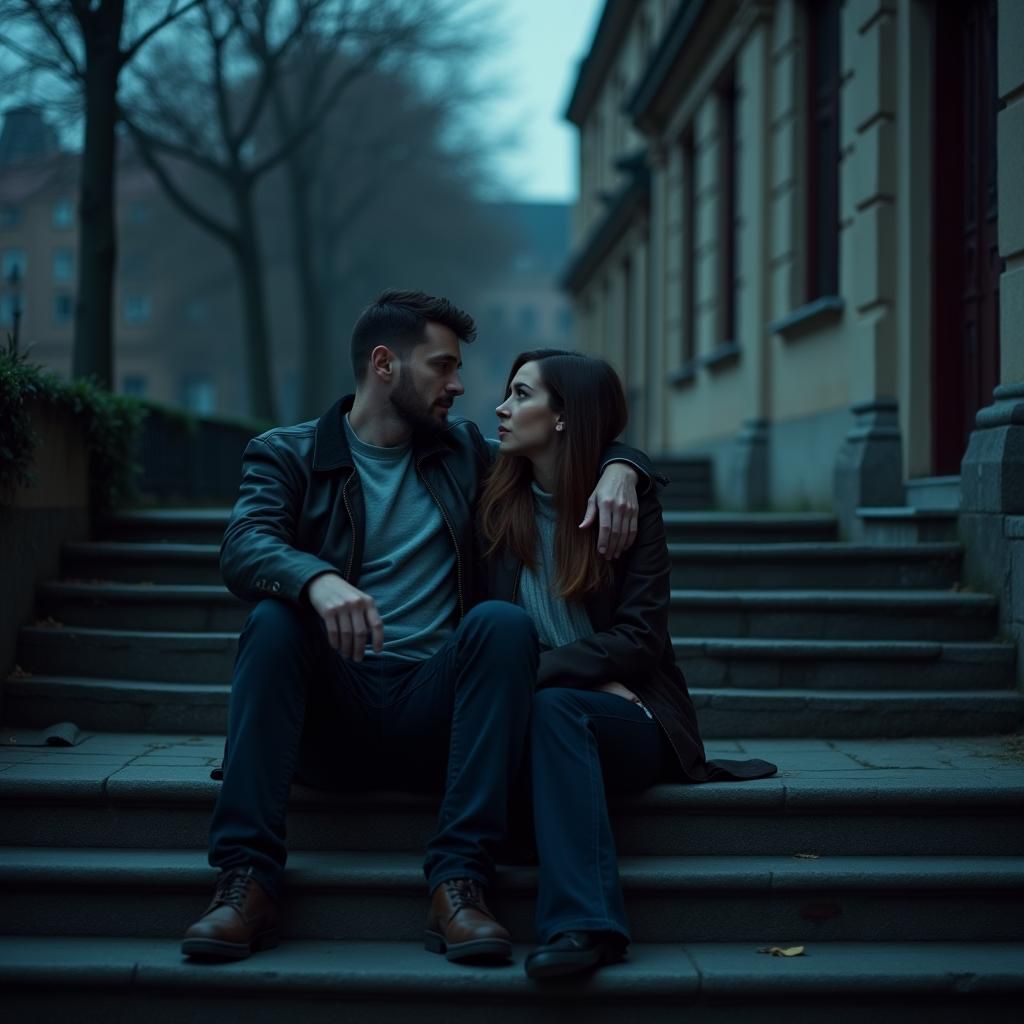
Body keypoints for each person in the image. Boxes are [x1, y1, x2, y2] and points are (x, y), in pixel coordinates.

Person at [181, 293, 655, 965]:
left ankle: (459, 882)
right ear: (384, 364)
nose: (459, 386)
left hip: (439, 710)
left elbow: (566, 430)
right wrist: (316, 580)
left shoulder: (464, 452)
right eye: (442, 367)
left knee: (500, 623)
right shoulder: (285, 454)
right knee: (272, 621)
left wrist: (623, 466)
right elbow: (243, 547)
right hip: (332, 712)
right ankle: (245, 883)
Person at [479, 349, 777, 981]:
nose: (501, 409)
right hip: (544, 707)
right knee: (553, 707)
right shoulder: (491, 499)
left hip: (633, 716)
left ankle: (585, 925)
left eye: (521, 395)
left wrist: (625, 469)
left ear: (564, 418)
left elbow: (641, 637)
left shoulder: (626, 509)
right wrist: (629, 462)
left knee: (556, 708)